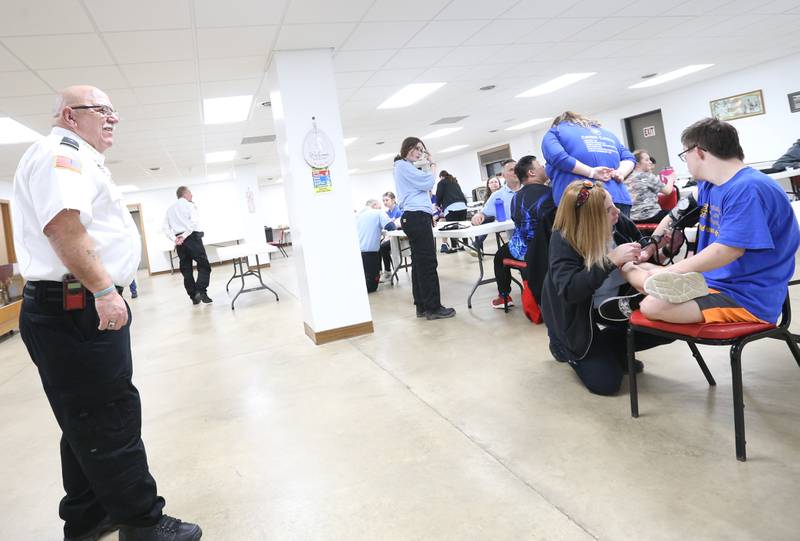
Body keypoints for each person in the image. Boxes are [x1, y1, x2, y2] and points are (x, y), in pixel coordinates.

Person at [12, 85, 201, 541]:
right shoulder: (64, 153)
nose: (111, 118)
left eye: (114, 110)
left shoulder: (77, 156)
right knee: (110, 414)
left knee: (82, 416)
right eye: (100, 110)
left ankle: (88, 515)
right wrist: (103, 290)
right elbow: (63, 228)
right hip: (75, 306)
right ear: (68, 116)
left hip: (65, 305)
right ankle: (143, 522)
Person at [618, 118, 800, 326]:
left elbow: (728, 250)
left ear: (699, 152)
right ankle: (647, 292)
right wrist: (651, 248)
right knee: (631, 267)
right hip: (709, 281)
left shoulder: (748, 188)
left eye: (684, 154)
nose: (685, 160)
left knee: (652, 305)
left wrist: (672, 271)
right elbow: (674, 215)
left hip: (745, 296)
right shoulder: (710, 185)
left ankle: (641, 299)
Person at [541, 180, 671, 395]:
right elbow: (571, 290)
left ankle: (613, 345)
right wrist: (610, 260)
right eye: (609, 210)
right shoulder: (564, 239)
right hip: (575, 317)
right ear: (590, 219)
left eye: (614, 205)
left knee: (668, 326)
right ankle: (564, 347)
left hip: (612, 305)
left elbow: (643, 258)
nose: (617, 211)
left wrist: (665, 250)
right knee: (607, 383)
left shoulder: (619, 223)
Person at [393, 137, 455, 320]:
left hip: (415, 217)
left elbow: (423, 183)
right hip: (417, 217)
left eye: (422, 149)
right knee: (428, 263)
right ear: (406, 148)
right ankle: (433, 307)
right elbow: (428, 183)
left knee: (420, 263)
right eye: (415, 148)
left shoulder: (405, 167)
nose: (419, 152)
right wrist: (433, 163)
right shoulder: (402, 165)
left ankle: (422, 305)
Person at [542, 111, 636, 215]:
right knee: (622, 231)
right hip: (619, 199)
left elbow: (557, 157)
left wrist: (591, 172)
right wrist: (620, 173)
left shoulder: (555, 131)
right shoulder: (608, 134)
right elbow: (630, 158)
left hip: (581, 200)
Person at [490, 156, 554, 309]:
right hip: (550, 249)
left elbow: (517, 222)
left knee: (499, 256)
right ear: (531, 172)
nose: (544, 167)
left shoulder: (516, 198)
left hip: (523, 250)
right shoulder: (552, 194)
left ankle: (504, 296)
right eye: (539, 165)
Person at [163, 186, 212, 305]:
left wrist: (175, 238)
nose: (192, 195)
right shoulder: (190, 205)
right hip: (191, 238)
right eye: (190, 193)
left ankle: (194, 296)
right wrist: (184, 236)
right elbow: (194, 222)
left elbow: (165, 227)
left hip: (180, 243)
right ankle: (201, 291)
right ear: (184, 194)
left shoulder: (170, 209)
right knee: (204, 265)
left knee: (186, 269)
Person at [470, 159, 519, 254]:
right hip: (517, 242)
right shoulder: (497, 196)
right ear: (503, 175)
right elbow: (483, 213)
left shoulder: (529, 188)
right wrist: (478, 216)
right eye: (511, 170)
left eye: (517, 168)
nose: (516, 171)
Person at [624, 149, 676, 224]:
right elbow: (668, 191)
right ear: (637, 163)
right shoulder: (647, 176)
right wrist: (671, 178)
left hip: (633, 219)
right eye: (647, 160)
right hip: (651, 216)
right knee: (677, 213)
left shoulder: (626, 177)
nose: (650, 162)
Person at [356, 199, 396, 293]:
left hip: (357, 253)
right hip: (369, 254)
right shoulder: (377, 213)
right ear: (374, 205)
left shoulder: (357, 215)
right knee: (372, 287)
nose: (381, 208)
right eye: (379, 206)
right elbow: (391, 227)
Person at [435, 170, 468, 253]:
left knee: (452, 228)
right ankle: (465, 245)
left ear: (441, 177)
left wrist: (437, 205)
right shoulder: (455, 182)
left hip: (451, 208)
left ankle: (454, 247)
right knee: (463, 226)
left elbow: (439, 195)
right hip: (463, 206)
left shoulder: (441, 183)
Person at [379, 191, 401, 281]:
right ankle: (379, 271)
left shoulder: (399, 211)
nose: (385, 202)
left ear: (393, 200)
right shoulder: (387, 213)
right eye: (383, 200)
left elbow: (397, 227)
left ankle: (388, 271)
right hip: (390, 237)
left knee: (383, 247)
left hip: (400, 237)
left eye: (387, 200)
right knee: (377, 245)